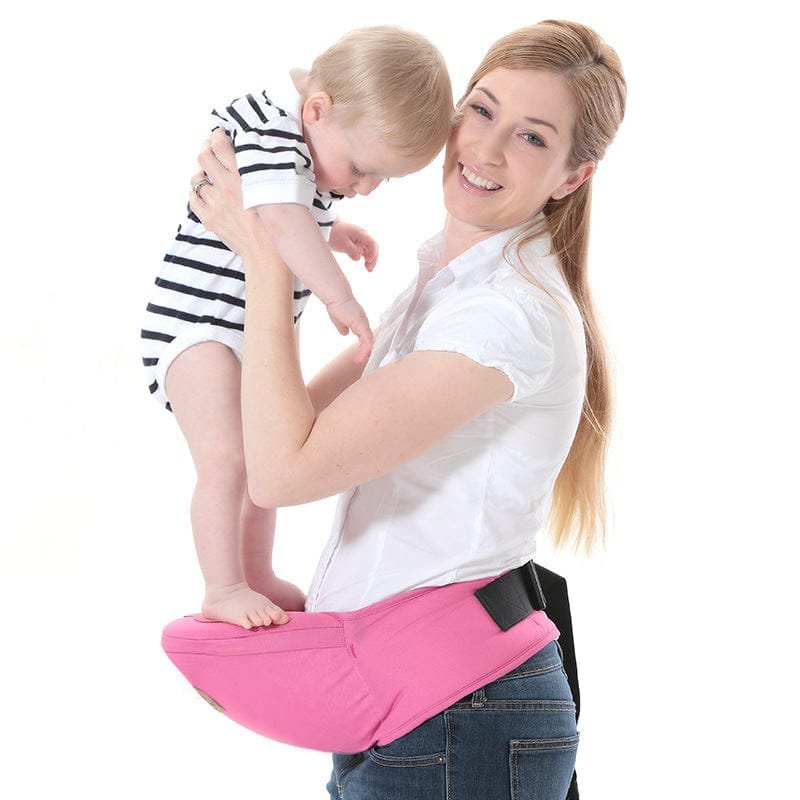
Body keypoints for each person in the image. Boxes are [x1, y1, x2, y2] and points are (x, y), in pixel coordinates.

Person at [162, 19, 625, 800]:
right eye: (480, 111)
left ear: (570, 177)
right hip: (420, 704)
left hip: (463, 714)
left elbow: (281, 472)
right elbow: (278, 437)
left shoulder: (503, 316)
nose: (484, 148)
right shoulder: (444, 284)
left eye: (531, 138)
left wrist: (268, 257)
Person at [141, 26, 453, 629]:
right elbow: (279, 220)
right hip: (196, 325)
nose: (364, 188)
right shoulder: (271, 130)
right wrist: (339, 296)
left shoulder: (299, 144)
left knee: (264, 455)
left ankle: (255, 570)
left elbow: (283, 209)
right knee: (228, 461)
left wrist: (332, 234)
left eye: (379, 180)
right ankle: (223, 585)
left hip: (234, 328)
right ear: (317, 109)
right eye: (362, 169)